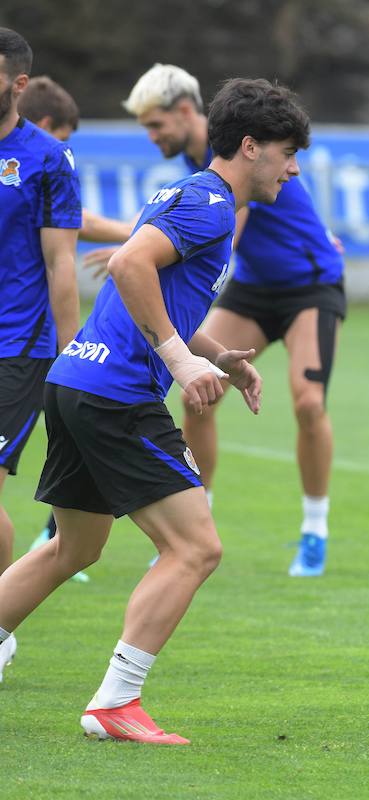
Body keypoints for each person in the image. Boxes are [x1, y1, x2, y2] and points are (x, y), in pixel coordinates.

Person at [0, 77, 309, 745]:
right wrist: (177, 360)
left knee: (74, 547)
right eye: (287, 152)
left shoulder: (189, 197)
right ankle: (116, 701)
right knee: (196, 547)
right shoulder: (213, 205)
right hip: (117, 394)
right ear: (250, 147)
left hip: (76, 380)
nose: (293, 168)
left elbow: (151, 287)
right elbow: (134, 266)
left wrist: (217, 354)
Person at [115, 64, 345, 576]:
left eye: (156, 126)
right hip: (256, 289)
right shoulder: (211, 160)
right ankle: (198, 518)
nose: (153, 138)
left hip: (310, 285)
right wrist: (139, 244)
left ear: (183, 112)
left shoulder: (250, 153)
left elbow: (224, 237)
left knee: (308, 402)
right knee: (200, 391)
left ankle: (314, 529)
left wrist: (141, 248)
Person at [20, 75, 137, 584]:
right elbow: (65, 237)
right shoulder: (40, 158)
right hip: (22, 337)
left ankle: (55, 538)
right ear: (48, 128)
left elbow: (67, 222)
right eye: (63, 138)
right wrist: (138, 234)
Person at [0, 29, 80, 682]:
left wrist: (71, 353)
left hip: (17, 349)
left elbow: (62, 263)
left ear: (19, 84)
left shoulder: (48, 160)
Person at [19, 75, 134, 245]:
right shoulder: (25, 167)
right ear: (44, 125)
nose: (62, 148)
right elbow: (80, 220)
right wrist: (136, 233)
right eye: (62, 138)